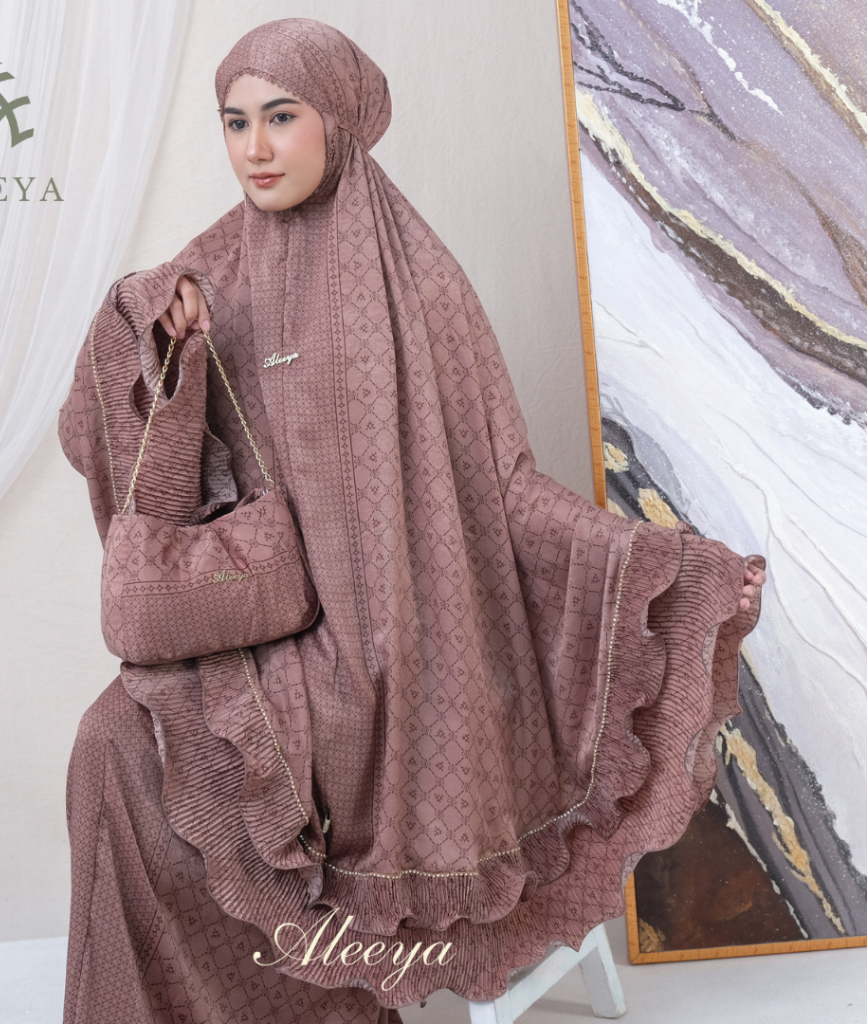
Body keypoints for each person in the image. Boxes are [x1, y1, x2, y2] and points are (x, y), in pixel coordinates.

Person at [57, 18, 766, 1024]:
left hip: (408, 661)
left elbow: (505, 487)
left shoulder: (420, 283)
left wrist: (667, 570)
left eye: (281, 117)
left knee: (179, 766)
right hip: (261, 639)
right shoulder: (209, 273)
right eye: (235, 122)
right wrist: (146, 329)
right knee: (109, 745)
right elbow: (139, 472)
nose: (255, 148)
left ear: (338, 120)